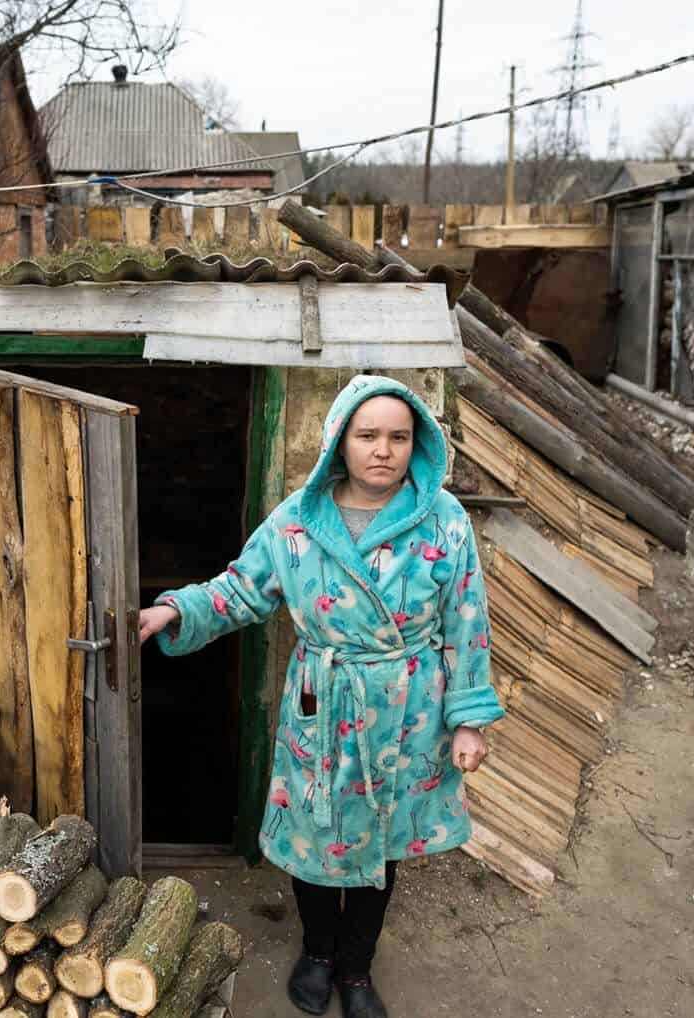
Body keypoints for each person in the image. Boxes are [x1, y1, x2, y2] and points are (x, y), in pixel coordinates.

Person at [139, 374, 503, 1018]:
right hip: (322, 701)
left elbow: (466, 623)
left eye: (398, 436)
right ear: (340, 440)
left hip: (408, 705)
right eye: (368, 435)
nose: (383, 450)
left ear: (416, 444)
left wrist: (468, 721)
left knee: (382, 839)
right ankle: (317, 951)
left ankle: (357, 968)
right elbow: (243, 588)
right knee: (314, 831)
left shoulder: (445, 520)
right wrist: (176, 610)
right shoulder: (297, 521)